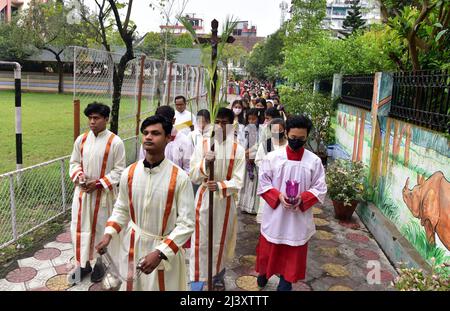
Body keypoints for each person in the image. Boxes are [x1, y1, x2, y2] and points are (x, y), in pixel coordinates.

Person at [96, 115, 195, 291]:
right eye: (146, 133)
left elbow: (186, 224)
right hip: (133, 244)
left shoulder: (179, 178)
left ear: (167, 139)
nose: (149, 137)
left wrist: (160, 253)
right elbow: (122, 208)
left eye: (155, 133)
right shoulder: (130, 173)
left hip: (164, 251)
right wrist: (108, 233)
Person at [255, 115, 327, 291]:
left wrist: (303, 198)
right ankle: (264, 273)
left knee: (292, 254)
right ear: (286, 134)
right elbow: (263, 183)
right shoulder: (272, 158)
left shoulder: (314, 161)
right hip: (276, 216)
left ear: (307, 137)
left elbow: (320, 188)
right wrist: (278, 196)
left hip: (298, 218)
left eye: (301, 139)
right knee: (270, 250)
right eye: (293, 138)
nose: (297, 142)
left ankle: (285, 282)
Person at [68, 102, 126, 284]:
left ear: (106, 119)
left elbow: (119, 170)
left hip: (103, 197)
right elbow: (74, 162)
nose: (92, 122)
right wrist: (79, 176)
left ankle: (100, 263)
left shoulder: (115, 142)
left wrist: (99, 183)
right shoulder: (81, 140)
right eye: (90, 118)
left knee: (101, 229)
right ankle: (83, 264)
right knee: (80, 229)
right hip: (83, 195)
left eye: (96, 118)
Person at [189, 108, 245, 290]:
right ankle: (196, 281)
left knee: (221, 239)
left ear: (231, 125)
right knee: (201, 241)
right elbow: (193, 175)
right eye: (218, 122)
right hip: (204, 198)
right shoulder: (203, 145)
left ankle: (218, 275)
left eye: (225, 123)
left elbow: (239, 180)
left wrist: (221, 186)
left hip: (224, 202)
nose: (221, 126)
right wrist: (205, 164)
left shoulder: (238, 150)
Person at [139, 106, 193, 174]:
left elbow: (189, 169)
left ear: (173, 121)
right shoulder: (149, 142)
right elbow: (142, 165)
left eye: (166, 122)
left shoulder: (185, 141)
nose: (164, 125)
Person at [255, 118, 288, 223]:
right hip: (269, 182)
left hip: (284, 181)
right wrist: (268, 168)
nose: (277, 133)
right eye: (274, 131)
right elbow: (258, 160)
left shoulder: (288, 145)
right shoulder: (266, 145)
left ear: (285, 130)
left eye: (280, 130)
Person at [238, 108, 262, 214]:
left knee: (254, 182)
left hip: (255, 159)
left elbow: (261, 144)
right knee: (246, 181)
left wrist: (251, 152)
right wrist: (244, 152)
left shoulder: (261, 129)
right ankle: (244, 205)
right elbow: (241, 141)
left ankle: (253, 207)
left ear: (258, 118)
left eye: (254, 119)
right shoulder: (245, 128)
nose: (251, 121)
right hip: (246, 157)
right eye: (249, 119)